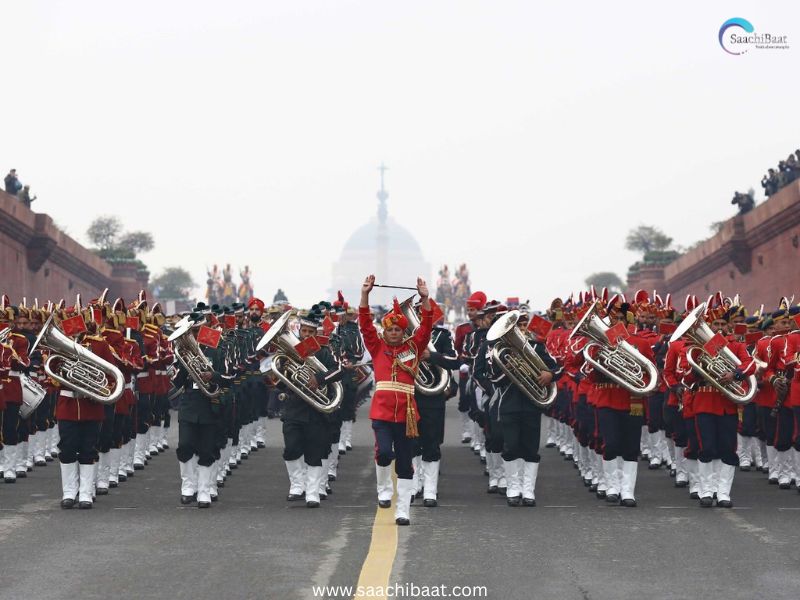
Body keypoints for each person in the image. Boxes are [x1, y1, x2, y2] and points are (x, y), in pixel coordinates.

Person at [359, 274, 433, 526]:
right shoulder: (377, 347)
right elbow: (365, 325)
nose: (393, 333)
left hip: (407, 415)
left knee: (405, 464)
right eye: (389, 329)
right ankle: (383, 491)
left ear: (403, 331)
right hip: (381, 413)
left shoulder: (412, 348)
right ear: (385, 331)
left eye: (397, 329)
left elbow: (426, 328)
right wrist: (365, 295)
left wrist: (425, 298)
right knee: (384, 455)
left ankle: (403, 510)